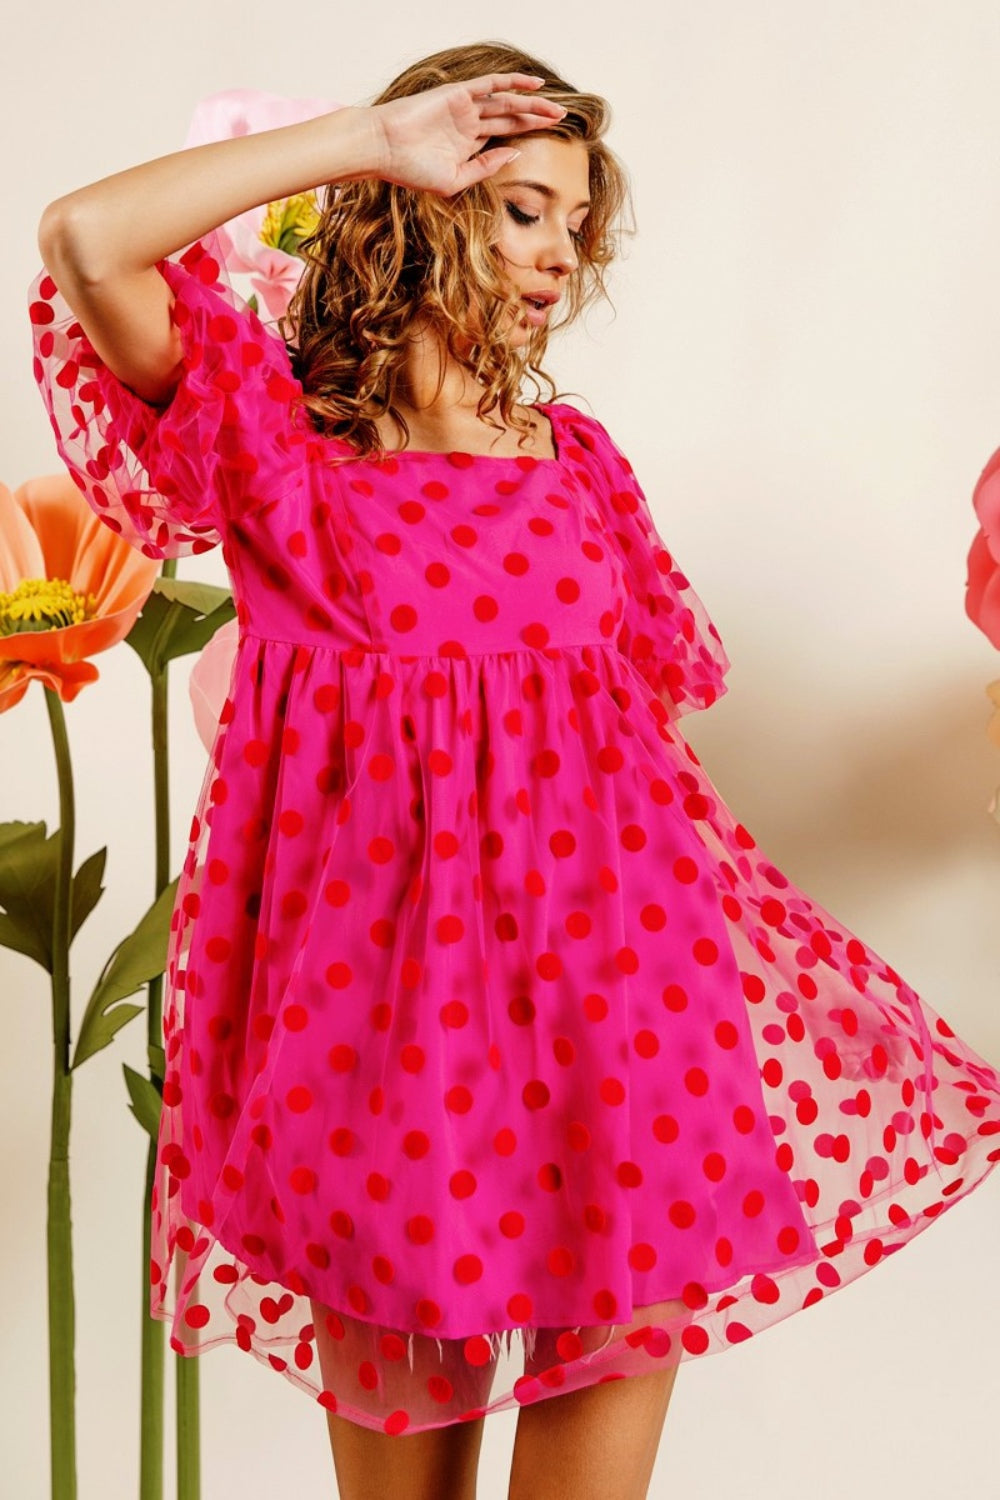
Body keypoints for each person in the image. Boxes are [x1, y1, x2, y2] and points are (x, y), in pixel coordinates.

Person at [28, 38, 1000, 1500]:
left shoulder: (580, 465)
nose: (561, 257)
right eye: (523, 208)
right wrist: (364, 134)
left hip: (625, 1021)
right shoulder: (275, 450)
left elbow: (636, 769)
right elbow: (85, 239)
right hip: (377, 1043)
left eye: (575, 223)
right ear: (416, 202)